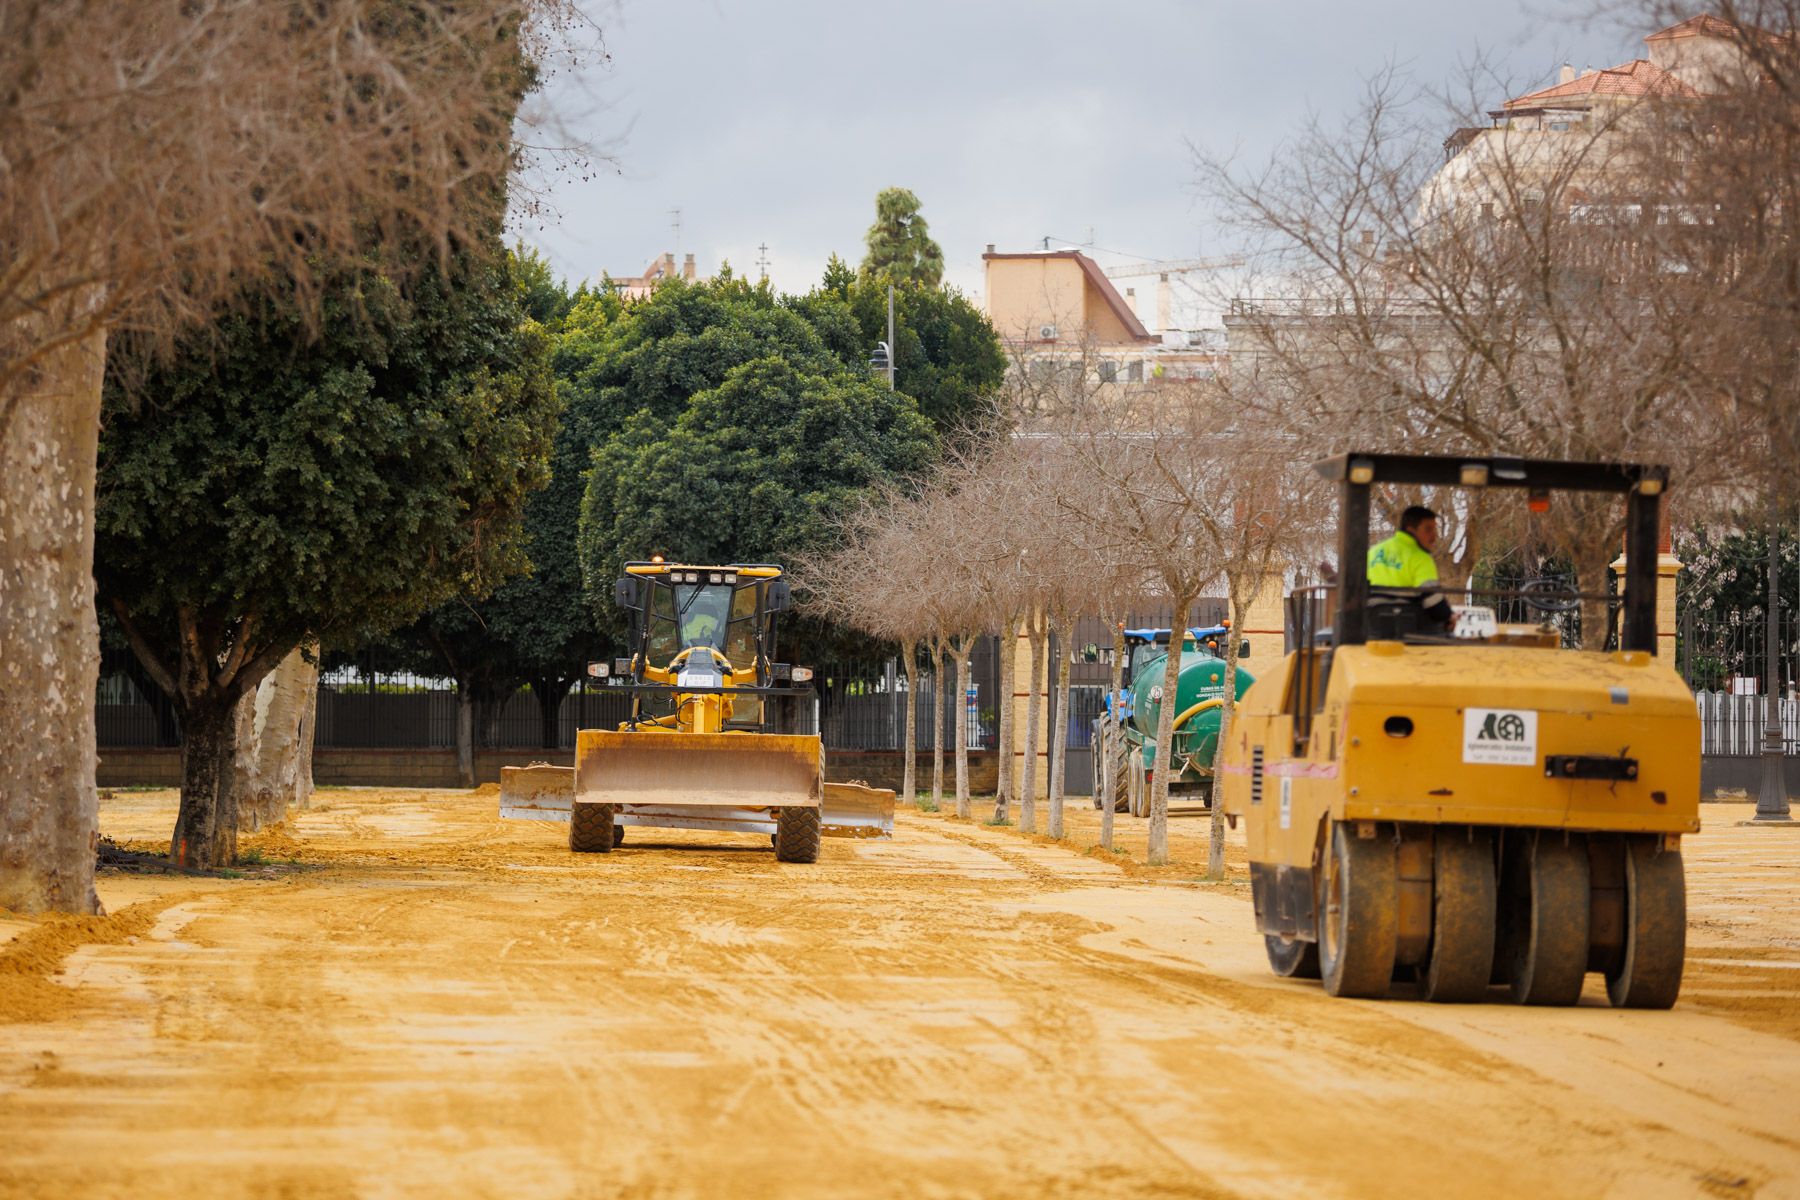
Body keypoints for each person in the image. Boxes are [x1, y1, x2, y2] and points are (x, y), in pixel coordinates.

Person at [1368, 505, 1452, 629]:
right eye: (1428, 530)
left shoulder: (1373, 552)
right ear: (1411, 530)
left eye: (1435, 530)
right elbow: (1434, 605)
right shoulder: (1421, 558)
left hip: (1370, 629)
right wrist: (1449, 618)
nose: (1434, 537)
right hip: (1408, 631)